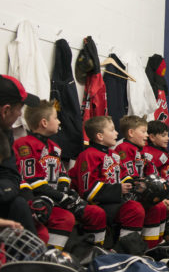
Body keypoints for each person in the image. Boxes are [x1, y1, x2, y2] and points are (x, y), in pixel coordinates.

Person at [13, 100, 107, 247]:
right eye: (56, 117)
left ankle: (93, 253)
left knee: (96, 213)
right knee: (64, 218)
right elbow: (33, 181)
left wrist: (66, 194)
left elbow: (62, 175)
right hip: (37, 199)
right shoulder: (24, 144)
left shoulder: (54, 147)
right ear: (44, 122)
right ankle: (52, 258)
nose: (59, 121)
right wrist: (61, 197)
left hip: (56, 198)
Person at [69, 116, 162, 248]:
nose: (117, 133)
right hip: (98, 203)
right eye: (112, 130)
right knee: (133, 209)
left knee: (153, 206)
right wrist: (118, 189)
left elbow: (125, 176)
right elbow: (88, 191)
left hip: (115, 201)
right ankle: (126, 251)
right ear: (100, 136)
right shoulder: (89, 155)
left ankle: (150, 249)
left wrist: (139, 185)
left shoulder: (113, 155)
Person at [0, 75, 39, 233]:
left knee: (19, 204)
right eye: (19, 109)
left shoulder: (4, 130)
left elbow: (10, 174)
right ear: (6, 110)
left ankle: (35, 257)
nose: (20, 115)